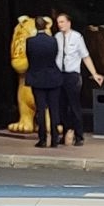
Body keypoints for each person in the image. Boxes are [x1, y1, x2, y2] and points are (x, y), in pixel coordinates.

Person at [53, 13, 92, 145]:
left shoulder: (77, 37)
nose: (60, 25)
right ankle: (64, 133)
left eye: (62, 22)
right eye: (58, 22)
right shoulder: (56, 37)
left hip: (72, 75)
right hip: (59, 75)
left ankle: (79, 135)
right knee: (61, 106)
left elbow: (85, 56)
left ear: (69, 23)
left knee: (74, 106)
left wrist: (95, 72)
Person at [25, 16, 64, 148]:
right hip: (53, 77)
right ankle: (55, 139)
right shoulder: (53, 41)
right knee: (54, 109)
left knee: (41, 109)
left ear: (36, 26)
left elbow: (29, 58)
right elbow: (55, 56)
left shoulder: (30, 41)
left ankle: (42, 139)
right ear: (46, 26)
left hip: (37, 78)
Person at [6, 16, 36, 136]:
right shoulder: (20, 34)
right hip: (27, 85)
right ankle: (26, 119)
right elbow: (19, 64)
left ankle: (49, 122)